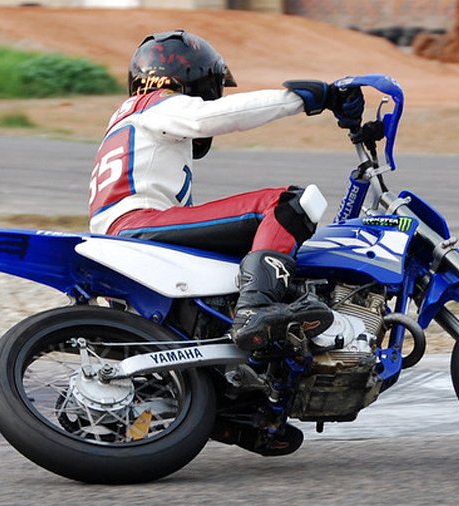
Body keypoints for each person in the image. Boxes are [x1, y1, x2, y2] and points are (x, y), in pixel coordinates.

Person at [88, 30, 364, 351]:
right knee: (286, 204)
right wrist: (306, 98)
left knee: (253, 247)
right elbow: (210, 118)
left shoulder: (129, 121)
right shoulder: (154, 103)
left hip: (128, 232)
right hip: (136, 226)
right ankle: (254, 311)